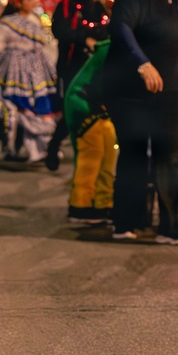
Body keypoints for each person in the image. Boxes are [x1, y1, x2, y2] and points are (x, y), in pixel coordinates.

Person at [102, 0, 178, 244]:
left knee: (168, 157)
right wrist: (142, 65)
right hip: (132, 91)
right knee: (134, 154)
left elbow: (174, 45)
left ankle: (168, 227)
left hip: (168, 91)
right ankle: (125, 224)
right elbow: (120, 26)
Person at [0, 0, 59, 162]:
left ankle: (40, 148)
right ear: (19, 3)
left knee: (38, 108)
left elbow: (44, 45)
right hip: (14, 72)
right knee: (21, 109)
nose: (33, 2)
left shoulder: (35, 20)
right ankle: (17, 147)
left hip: (38, 71)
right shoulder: (7, 23)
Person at [45, 0, 110, 171]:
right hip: (71, 66)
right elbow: (61, 32)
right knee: (72, 109)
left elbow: (106, 30)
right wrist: (85, 39)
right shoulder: (68, 5)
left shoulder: (99, 7)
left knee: (93, 108)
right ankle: (54, 146)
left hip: (94, 67)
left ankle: (87, 149)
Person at [63, 39, 117, 226]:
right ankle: (81, 205)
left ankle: (102, 204)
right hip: (85, 105)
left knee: (108, 156)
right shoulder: (114, 49)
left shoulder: (119, 47)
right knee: (92, 158)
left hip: (98, 107)